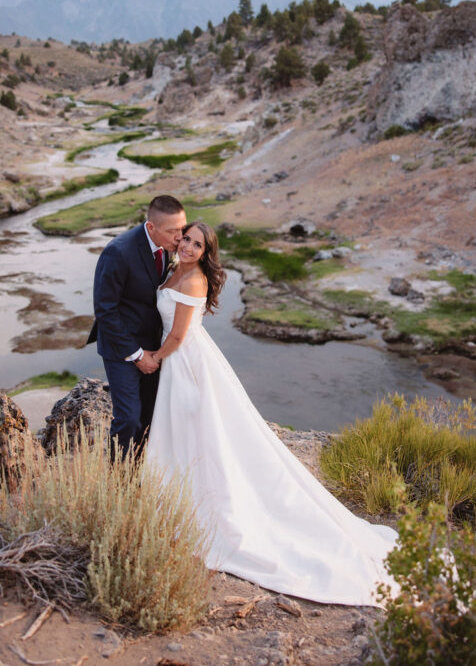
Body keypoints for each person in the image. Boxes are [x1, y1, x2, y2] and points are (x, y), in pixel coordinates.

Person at [146, 221, 399, 607]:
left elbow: (178, 336)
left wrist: (153, 358)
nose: (188, 247)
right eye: (187, 239)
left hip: (186, 362)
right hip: (183, 362)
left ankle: (201, 503)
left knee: (199, 430)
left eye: (198, 245)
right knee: (184, 432)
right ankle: (176, 495)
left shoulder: (193, 279)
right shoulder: (172, 267)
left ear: (206, 252)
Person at [88, 194, 186, 457]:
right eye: (173, 231)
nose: (180, 237)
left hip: (157, 347)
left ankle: (142, 474)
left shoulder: (174, 248)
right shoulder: (118, 252)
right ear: (151, 227)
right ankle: (119, 484)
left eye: (182, 228)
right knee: (129, 419)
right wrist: (137, 354)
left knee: (151, 417)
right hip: (122, 349)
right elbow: (105, 310)